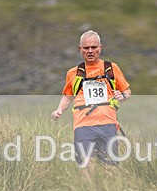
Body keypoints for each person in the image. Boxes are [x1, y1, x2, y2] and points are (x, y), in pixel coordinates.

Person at [52, 30, 131, 166]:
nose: (90, 51)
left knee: (110, 168)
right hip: (83, 125)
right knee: (87, 165)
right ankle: (88, 188)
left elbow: (127, 91)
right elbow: (68, 96)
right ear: (80, 49)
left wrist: (122, 95)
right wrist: (59, 110)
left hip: (108, 123)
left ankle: (108, 188)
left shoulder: (111, 68)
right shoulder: (73, 73)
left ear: (100, 48)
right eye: (86, 48)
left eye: (94, 47)